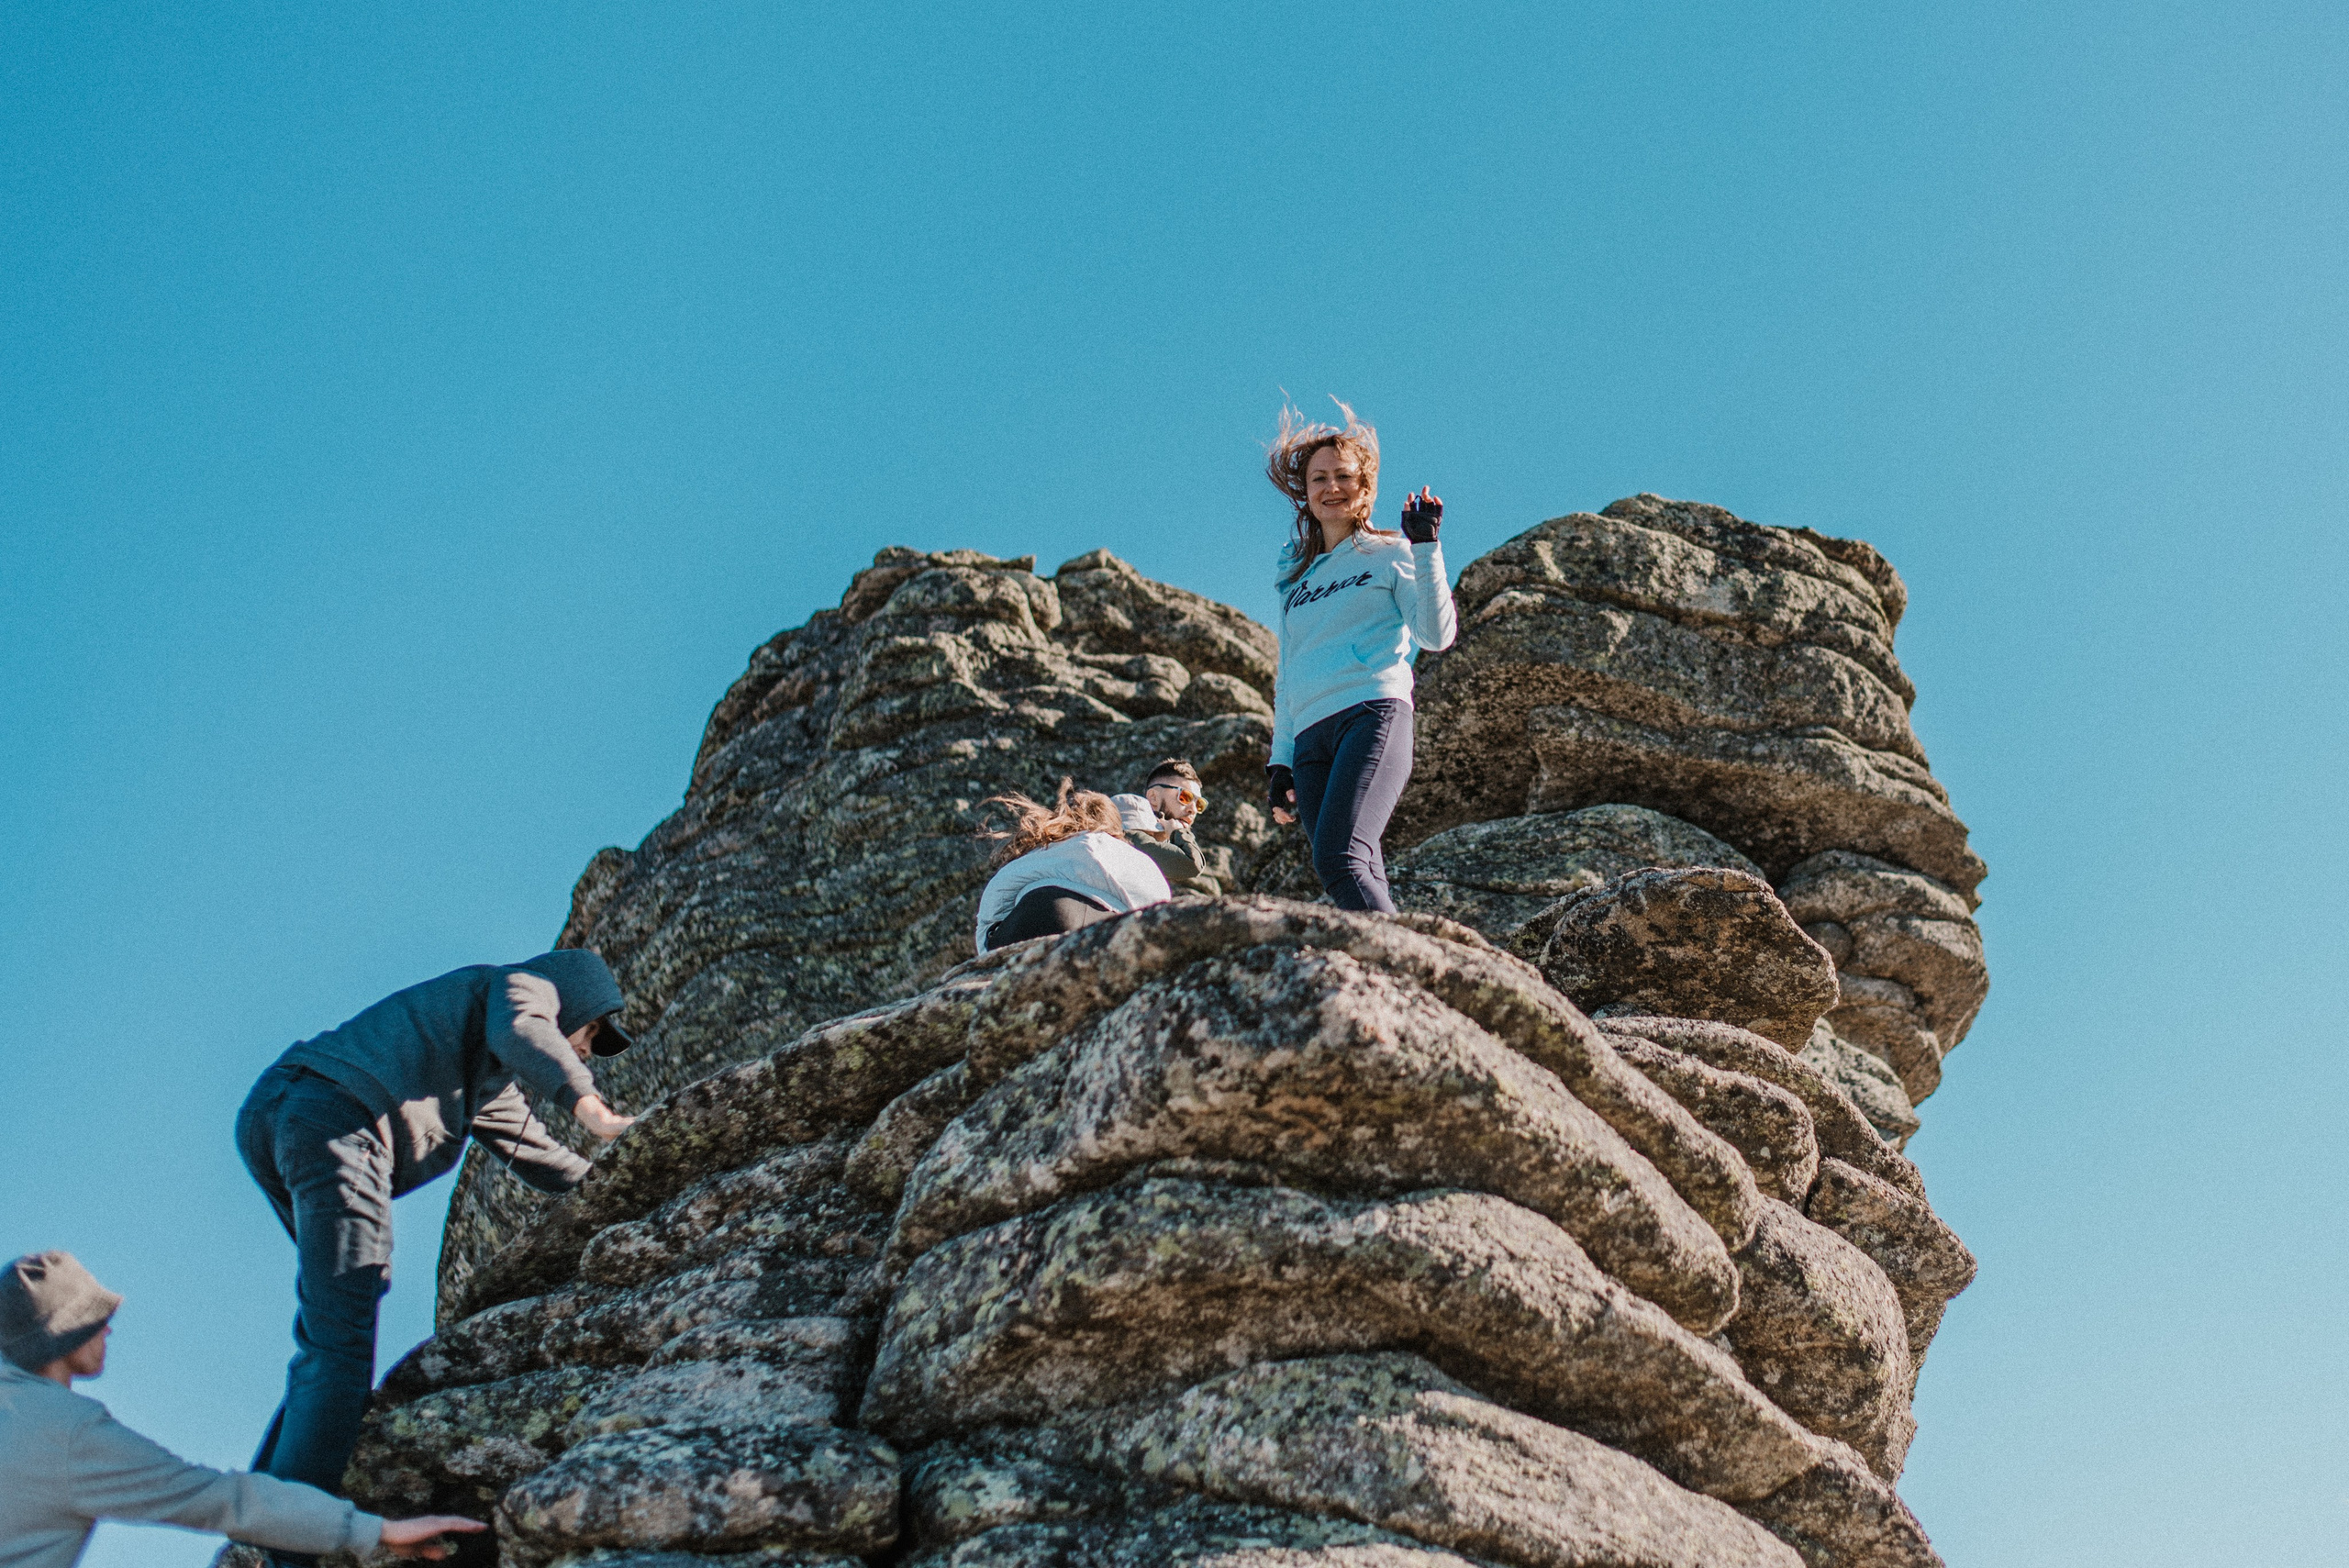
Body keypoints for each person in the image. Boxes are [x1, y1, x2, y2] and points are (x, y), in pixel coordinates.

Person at [234, 949, 640, 1562]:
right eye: (591, 1032)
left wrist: (632, 1182)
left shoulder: (482, 1076)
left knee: (339, 1317)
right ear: (572, 1002)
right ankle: (292, 1542)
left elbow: (540, 1154)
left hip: (290, 1111)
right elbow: (526, 1028)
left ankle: (262, 1517)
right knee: (342, 1338)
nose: (587, 1048)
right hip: (335, 1113)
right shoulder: (520, 987)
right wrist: (592, 1106)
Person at [0, 1251, 482, 1566]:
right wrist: (378, 1529)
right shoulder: (68, 1436)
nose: (109, 1330)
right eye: (97, 1319)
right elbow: (222, 1501)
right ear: (65, 1333)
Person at [1263, 402, 1458, 912]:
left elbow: (1436, 636)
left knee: (1338, 859)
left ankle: (1409, 971)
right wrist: (1279, 762)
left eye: (1344, 477)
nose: (1332, 487)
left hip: (1371, 714)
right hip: (1308, 740)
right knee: (1359, 861)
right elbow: (1288, 676)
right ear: (1305, 494)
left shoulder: (1392, 553)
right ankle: (1397, 968)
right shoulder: (1296, 581)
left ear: (1366, 489)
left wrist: (1426, 546)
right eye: (1319, 478)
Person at [974, 777, 1172, 951]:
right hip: (1085, 923)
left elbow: (991, 909)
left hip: (1017, 924)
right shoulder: (1124, 853)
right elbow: (1157, 912)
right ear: (1117, 828)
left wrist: (988, 951)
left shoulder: (1041, 851)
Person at [1113, 758, 1221, 897]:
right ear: (1153, 797)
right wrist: (1178, 832)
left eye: (1199, 804)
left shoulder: (1150, 842)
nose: (1193, 809)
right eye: (1185, 797)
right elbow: (1192, 864)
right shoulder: (1130, 835)